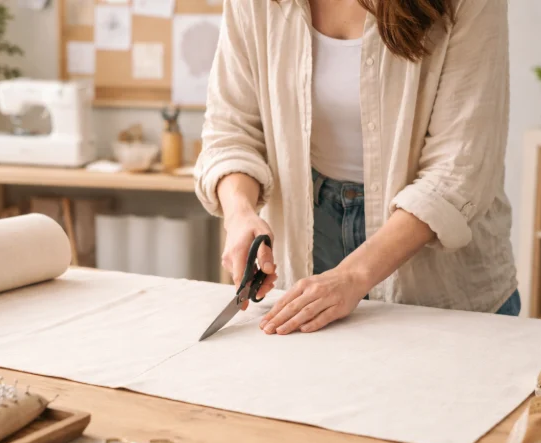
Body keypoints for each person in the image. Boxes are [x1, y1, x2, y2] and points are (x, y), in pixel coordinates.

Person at [194, 0, 520, 336]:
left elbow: (457, 169)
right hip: (308, 239)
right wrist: (239, 212)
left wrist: (352, 275)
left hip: (435, 269)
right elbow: (232, 128)